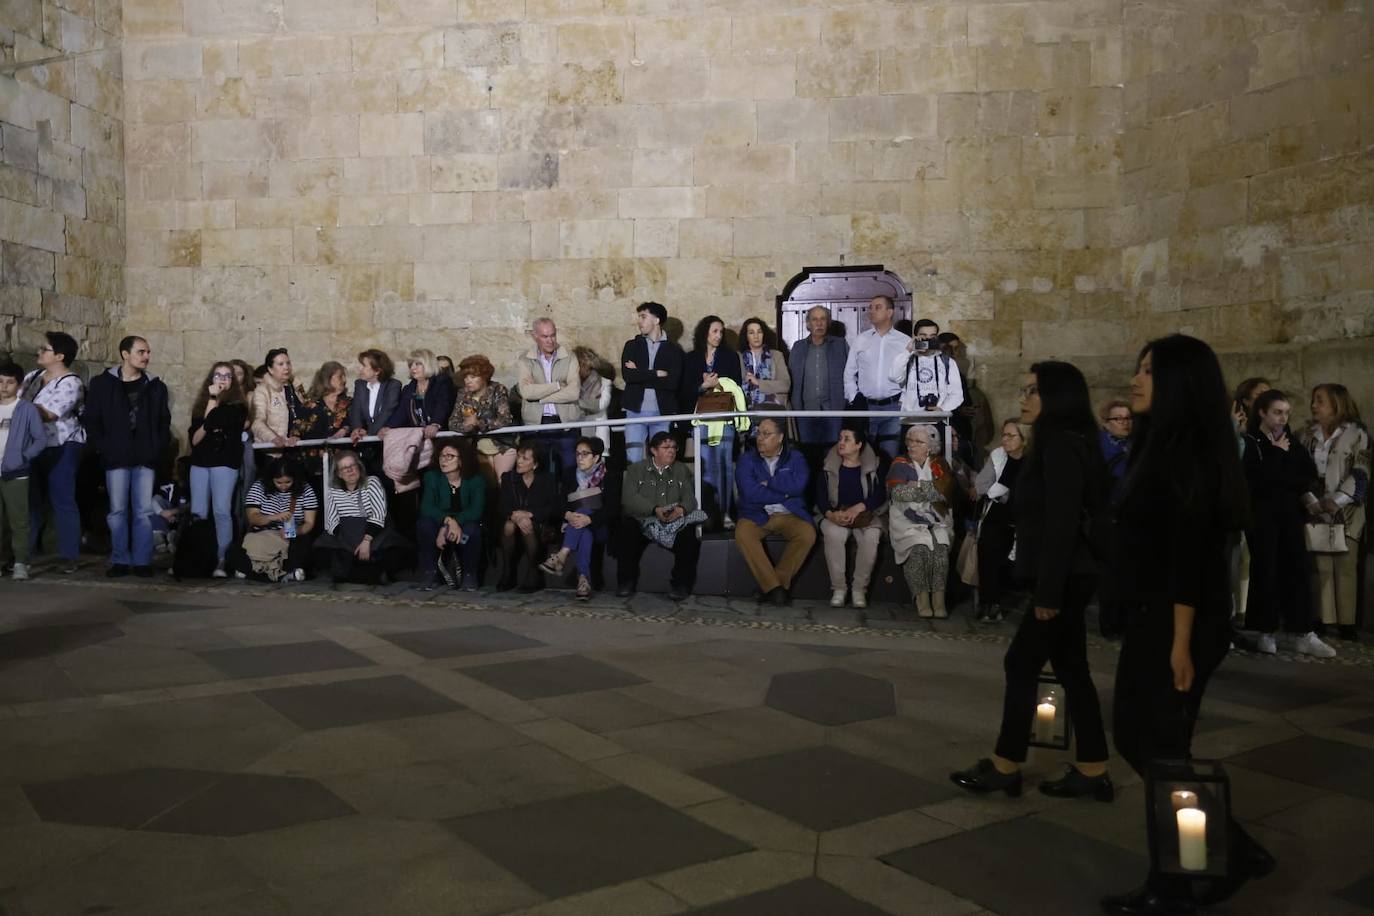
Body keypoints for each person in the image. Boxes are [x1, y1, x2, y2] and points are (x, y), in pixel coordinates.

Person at [1101, 335, 1274, 916]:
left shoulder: (1189, 454)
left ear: (1179, 383)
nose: (1137, 378)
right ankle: (1236, 851)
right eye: (1138, 366)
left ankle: (1171, 886)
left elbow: (1190, 557)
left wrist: (1180, 645)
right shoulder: (1159, 443)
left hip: (1181, 621)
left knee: (1160, 745)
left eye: (1150, 371)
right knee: (1143, 738)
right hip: (1157, 615)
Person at [951, 361, 1112, 807]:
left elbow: (1062, 524)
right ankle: (1094, 768)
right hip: (1071, 575)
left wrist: (1047, 593)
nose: (1022, 398)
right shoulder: (1072, 441)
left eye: (1032, 391)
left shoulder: (1060, 445)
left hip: (1062, 577)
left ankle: (1006, 766)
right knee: (1072, 668)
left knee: (1021, 663)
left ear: (1056, 398)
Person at [1240, 390, 1335, 657]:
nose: (1283, 418)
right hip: (1262, 517)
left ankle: (1301, 631)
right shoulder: (1251, 442)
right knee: (1266, 570)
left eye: (1286, 413)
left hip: (1290, 516)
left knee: (1297, 569)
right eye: (1277, 412)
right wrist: (1276, 458)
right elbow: (1254, 479)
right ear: (1262, 412)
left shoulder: (1291, 442)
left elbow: (1304, 476)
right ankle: (1264, 630)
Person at [84, 336, 171, 578]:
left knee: (143, 511)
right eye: (141, 351)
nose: (146, 356)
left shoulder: (155, 386)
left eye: (148, 352)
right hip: (116, 457)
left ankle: (142, 561)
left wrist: (156, 447)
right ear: (125, 353)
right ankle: (120, 559)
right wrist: (103, 447)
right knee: (117, 510)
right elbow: (92, 419)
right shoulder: (103, 384)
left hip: (145, 457)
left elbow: (164, 421)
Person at [1300, 384, 1369, 643]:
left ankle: (1347, 623)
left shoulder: (1357, 433)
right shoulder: (1307, 434)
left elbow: (1361, 469)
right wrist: (1311, 500)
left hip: (1347, 510)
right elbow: (1300, 469)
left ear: (1337, 404)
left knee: (1346, 566)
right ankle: (1322, 619)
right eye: (1314, 400)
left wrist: (1338, 500)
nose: (1314, 406)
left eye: (1320, 401)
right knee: (1321, 567)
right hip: (1315, 507)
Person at [21, 331, 86, 572]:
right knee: (32, 502)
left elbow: (50, 414)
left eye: (45, 349)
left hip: (63, 445)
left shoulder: (71, 383)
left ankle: (69, 556)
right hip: (33, 446)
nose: (39, 352)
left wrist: (20, 406)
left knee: (62, 500)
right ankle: (22, 555)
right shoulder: (33, 377)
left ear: (59, 356)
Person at [735, 416, 815, 608]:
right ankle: (775, 589)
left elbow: (799, 486)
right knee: (743, 533)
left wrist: (770, 483)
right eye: (759, 433)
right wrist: (785, 494)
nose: (760, 438)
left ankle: (771, 585)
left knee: (807, 534)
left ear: (780, 438)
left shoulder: (795, 457)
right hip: (757, 514)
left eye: (766, 434)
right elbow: (750, 492)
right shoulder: (747, 459)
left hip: (789, 514)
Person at [615, 431, 702, 600]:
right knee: (626, 528)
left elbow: (690, 498)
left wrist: (681, 510)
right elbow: (629, 499)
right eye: (666, 447)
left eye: (674, 447)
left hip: (672, 522)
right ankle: (626, 582)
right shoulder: (636, 470)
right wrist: (654, 509)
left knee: (689, 536)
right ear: (654, 450)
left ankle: (680, 585)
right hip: (644, 520)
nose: (671, 451)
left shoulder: (681, 470)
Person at [188, 362, 250, 576]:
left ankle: (223, 559)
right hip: (200, 463)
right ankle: (197, 557)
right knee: (199, 512)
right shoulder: (199, 406)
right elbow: (195, 438)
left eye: (227, 376)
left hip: (224, 461)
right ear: (210, 379)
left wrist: (212, 406)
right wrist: (209, 412)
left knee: (221, 511)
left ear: (232, 381)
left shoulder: (238, 406)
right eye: (217, 375)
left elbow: (214, 421)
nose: (222, 379)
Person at [887, 424, 955, 617]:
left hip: (938, 519)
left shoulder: (940, 464)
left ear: (930, 446)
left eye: (919, 441)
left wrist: (916, 486)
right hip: (906, 521)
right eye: (910, 441)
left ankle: (939, 600)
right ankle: (922, 599)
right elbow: (898, 493)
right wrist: (928, 490)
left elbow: (944, 494)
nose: (912, 445)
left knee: (940, 548)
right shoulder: (899, 464)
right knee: (919, 548)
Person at [541, 436, 620, 600]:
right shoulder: (570, 474)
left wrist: (589, 519)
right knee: (584, 532)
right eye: (577, 454)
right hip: (575, 525)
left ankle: (562, 555)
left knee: (584, 514)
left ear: (596, 457)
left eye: (585, 454)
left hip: (600, 526)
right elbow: (559, 501)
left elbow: (612, 509)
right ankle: (583, 580)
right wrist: (568, 514)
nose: (580, 458)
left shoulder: (609, 476)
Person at [816, 426, 886, 609]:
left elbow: (880, 494)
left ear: (858, 445)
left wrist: (860, 508)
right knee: (834, 535)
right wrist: (831, 514)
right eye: (840, 438)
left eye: (846, 439)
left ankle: (859, 589)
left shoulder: (874, 466)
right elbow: (820, 496)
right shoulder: (828, 465)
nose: (841, 443)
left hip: (866, 516)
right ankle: (839, 589)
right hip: (836, 515)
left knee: (871, 537)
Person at [683, 315, 744, 526]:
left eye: (721, 331)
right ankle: (708, 512)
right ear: (704, 333)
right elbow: (684, 390)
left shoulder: (729, 356)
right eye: (714, 331)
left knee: (725, 465)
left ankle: (726, 512)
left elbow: (736, 385)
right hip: (701, 420)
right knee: (706, 466)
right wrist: (702, 386)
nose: (718, 335)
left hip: (724, 417)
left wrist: (716, 385)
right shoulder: (691, 358)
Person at [314, 449, 406, 584]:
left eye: (353, 466)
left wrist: (366, 541)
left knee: (394, 552)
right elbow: (332, 521)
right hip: (346, 536)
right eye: (345, 468)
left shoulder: (372, 482)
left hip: (373, 532)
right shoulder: (334, 491)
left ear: (359, 467)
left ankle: (359, 573)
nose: (350, 470)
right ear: (339, 473)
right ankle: (367, 575)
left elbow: (379, 513)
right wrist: (349, 542)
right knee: (321, 551)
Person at [973, 419, 1028, 624]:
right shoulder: (998, 456)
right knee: (988, 555)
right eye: (1003, 435)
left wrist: (1000, 491)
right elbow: (981, 486)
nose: (1004, 439)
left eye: (1010, 436)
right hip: (997, 515)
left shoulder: (1032, 460)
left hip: (1023, 517)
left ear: (1023, 439)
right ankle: (988, 603)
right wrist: (1002, 490)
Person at [843, 295, 911, 457]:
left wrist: (904, 401)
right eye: (871, 307)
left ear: (890, 312)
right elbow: (849, 372)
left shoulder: (904, 341)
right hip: (866, 408)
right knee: (864, 456)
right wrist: (854, 398)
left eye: (877, 307)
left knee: (890, 454)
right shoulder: (861, 340)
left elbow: (911, 375)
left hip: (893, 408)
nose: (872, 311)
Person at [234, 457, 319, 582]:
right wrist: (273, 517)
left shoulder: (306, 489)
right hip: (263, 535)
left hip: (290, 537)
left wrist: (295, 530)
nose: (283, 486)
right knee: (234, 550)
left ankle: (256, 572)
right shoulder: (258, 487)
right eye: (278, 482)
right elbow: (253, 518)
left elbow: (309, 523)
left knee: (304, 546)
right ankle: (284, 573)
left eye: (288, 482)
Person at [620, 301, 683, 465]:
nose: (639, 321)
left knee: (663, 460)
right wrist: (656, 374)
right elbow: (628, 376)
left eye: (643, 316)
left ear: (656, 320)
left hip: (661, 412)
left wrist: (640, 374)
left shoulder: (674, 350)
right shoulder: (632, 346)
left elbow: (672, 382)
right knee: (633, 460)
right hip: (635, 411)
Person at [515, 319, 580, 478]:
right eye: (545, 336)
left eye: (553, 335)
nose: (550, 340)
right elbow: (526, 392)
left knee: (569, 470)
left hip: (565, 422)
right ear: (535, 336)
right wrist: (557, 385)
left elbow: (573, 393)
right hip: (537, 423)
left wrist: (541, 397)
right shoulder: (525, 359)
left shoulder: (569, 357)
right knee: (539, 471)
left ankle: (568, 502)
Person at [417, 439, 484, 591]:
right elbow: (426, 507)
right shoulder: (432, 477)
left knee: (471, 531)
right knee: (425, 524)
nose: (444, 460)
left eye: (450, 456)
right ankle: (430, 573)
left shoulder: (475, 480)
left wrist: (455, 523)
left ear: (461, 461)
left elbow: (476, 510)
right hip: (440, 522)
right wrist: (447, 522)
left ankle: (469, 575)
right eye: (442, 456)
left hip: (464, 526)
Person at [0, 363, 47, 580]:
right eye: (0, 381)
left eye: (9, 382)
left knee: (19, 520)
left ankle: (20, 561)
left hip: (16, 473)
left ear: (18, 385)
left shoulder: (26, 409)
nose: (4, 386)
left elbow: (40, 439)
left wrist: (23, 457)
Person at [790, 305, 850, 473]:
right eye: (815, 319)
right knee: (807, 458)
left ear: (828, 322)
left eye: (823, 319)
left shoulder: (840, 345)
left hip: (833, 412)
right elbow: (791, 379)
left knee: (834, 457)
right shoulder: (798, 347)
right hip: (805, 413)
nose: (819, 323)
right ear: (808, 324)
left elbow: (851, 374)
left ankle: (831, 496)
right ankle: (812, 497)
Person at [496, 443, 559, 592]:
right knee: (509, 525)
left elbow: (554, 508)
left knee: (527, 525)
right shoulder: (508, 478)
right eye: (518, 457)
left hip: (539, 525)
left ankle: (533, 572)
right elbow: (502, 506)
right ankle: (508, 571)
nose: (519, 461)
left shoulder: (547, 480)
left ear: (535, 464)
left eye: (525, 459)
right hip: (513, 523)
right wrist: (515, 516)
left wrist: (530, 514)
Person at [450, 354, 517, 481]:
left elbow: (505, 419)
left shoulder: (498, 389)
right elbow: (452, 422)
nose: (467, 381)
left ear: (484, 377)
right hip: (477, 449)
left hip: (502, 446)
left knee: (503, 484)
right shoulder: (462, 394)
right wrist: (466, 426)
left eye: (473, 377)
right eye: (465, 377)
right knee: (486, 487)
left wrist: (479, 423)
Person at [890, 320, 965, 430]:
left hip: (938, 422)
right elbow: (893, 376)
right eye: (923, 335)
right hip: (910, 421)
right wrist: (908, 350)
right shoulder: (907, 359)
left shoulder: (947, 362)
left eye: (932, 336)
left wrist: (942, 409)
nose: (928, 339)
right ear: (915, 336)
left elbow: (957, 394)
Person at [383, 349, 455, 442]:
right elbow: (401, 412)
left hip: (439, 435)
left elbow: (443, 405)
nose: (412, 368)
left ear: (428, 364)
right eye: (411, 365)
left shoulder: (442, 382)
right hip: (418, 436)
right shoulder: (409, 388)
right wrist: (389, 427)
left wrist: (435, 424)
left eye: (417, 364)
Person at [292, 361, 352, 451]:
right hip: (315, 459)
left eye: (344, 376)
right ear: (327, 379)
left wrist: (345, 429)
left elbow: (356, 424)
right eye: (340, 376)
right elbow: (298, 428)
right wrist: (294, 437)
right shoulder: (311, 405)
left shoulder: (349, 403)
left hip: (343, 458)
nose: (344, 380)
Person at [250, 348, 303, 447]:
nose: (286, 367)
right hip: (271, 451)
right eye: (281, 364)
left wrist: (296, 434)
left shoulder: (294, 386)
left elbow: (303, 414)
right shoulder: (263, 391)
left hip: (296, 447)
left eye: (288, 363)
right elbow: (257, 422)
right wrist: (274, 438)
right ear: (270, 369)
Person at [347, 348, 401, 443]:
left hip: (386, 439)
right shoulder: (360, 385)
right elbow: (356, 410)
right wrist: (357, 430)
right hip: (364, 441)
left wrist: (369, 433)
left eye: (364, 366)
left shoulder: (393, 386)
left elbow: (386, 412)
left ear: (377, 371)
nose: (360, 369)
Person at [739, 317, 791, 412]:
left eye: (759, 332)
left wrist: (758, 383)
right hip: (747, 409)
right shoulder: (739, 357)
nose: (756, 336)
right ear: (746, 336)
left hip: (774, 408)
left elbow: (785, 385)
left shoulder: (776, 355)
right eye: (751, 332)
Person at [575, 346, 613, 448]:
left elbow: (602, 405)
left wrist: (576, 402)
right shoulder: (572, 384)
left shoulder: (604, 382)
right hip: (578, 429)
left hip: (599, 429)